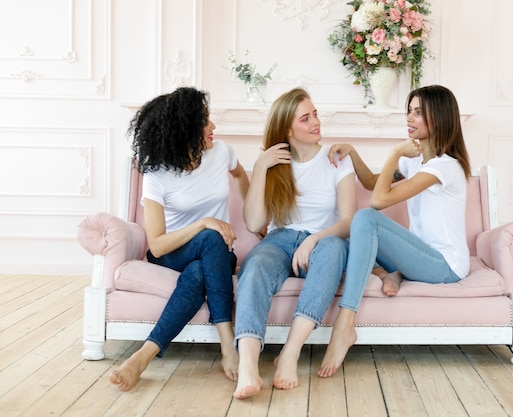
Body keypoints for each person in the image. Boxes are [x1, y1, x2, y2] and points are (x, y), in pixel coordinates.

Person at [318, 84, 472, 378]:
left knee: (364, 219)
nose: (410, 118)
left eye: (418, 113)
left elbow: (377, 201)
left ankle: (344, 323)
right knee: (348, 240)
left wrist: (393, 153)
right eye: (409, 111)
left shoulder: (444, 167)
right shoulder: (415, 161)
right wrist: (352, 153)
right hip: (420, 257)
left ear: (438, 118)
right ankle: (390, 273)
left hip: (445, 265)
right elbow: (372, 183)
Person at [108, 87, 249, 391]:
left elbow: (240, 177)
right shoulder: (157, 174)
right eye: (205, 122)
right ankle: (227, 340)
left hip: (216, 255)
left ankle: (143, 356)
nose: (213, 128)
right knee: (211, 235)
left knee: (202, 267)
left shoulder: (222, 152)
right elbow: (157, 244)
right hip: (171, 254)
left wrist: (253, 219)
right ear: (184, 130)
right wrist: (203, 223)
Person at [233, 87, 356, 399]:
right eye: (306, 118)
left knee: (333, 249)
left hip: (324, 241)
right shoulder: (274, 164)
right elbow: (254, 224)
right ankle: (248, 364)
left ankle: (289, 353)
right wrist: (260, 166)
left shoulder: (336, 160)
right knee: (257, 263)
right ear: (288, 128)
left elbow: (348, 221)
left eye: (315, 114)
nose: (316, 122)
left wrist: (314, 238)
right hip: (280, 241)